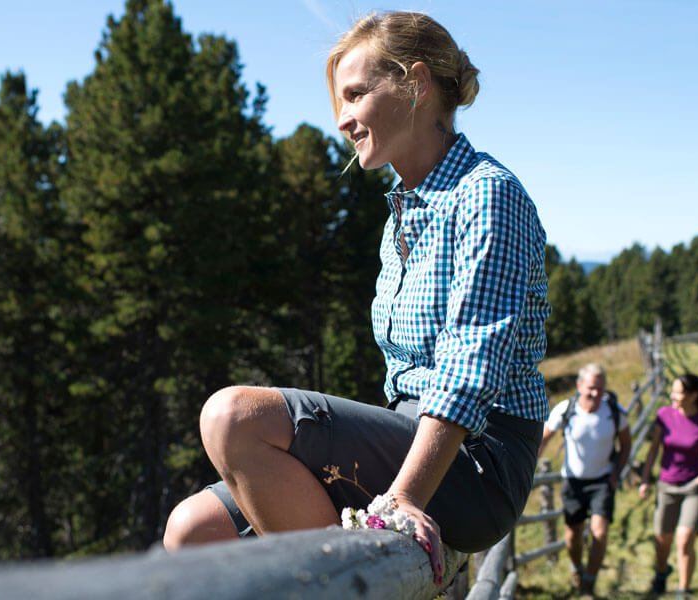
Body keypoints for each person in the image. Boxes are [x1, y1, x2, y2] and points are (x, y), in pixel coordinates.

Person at [160, 10, 550, 587]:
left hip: (477, 460)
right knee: (192, 531)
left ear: (416, 85)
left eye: (356, 95)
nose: (342, 120)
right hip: (413, 434)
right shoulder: (401, 214)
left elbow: (472, 366)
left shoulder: (486, 195)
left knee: (233, 419)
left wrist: (401, 499)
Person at [538, 363, 632, 597]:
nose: (595, 393)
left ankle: (589, 581)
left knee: (599, 532)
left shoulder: (614, 410)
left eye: (600, 388)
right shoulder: (565, 409)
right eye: (591, 387)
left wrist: (616, 472)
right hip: (573, 481)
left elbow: (626, 444)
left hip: (602, 480)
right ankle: (577, 568)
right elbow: (544, 438)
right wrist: (527, 468)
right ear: (579, 385)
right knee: (573, 533)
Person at [638, 373, 698, 596]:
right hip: (667, 485)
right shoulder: (664, 415)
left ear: (693, 396)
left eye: (679, 392)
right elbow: (653, 450)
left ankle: (683, 590)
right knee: (662, 539)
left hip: (694, 487)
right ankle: (661, 571)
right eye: (673, 391)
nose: (673, 396)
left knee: (684, 539)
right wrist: (646, 480)